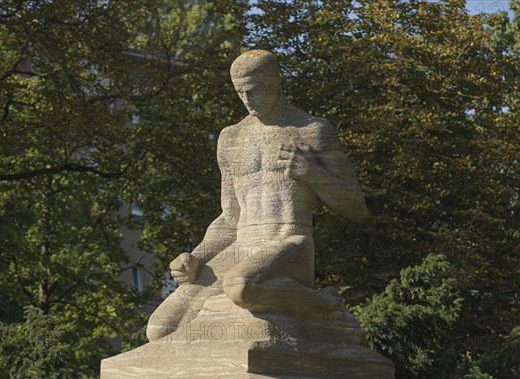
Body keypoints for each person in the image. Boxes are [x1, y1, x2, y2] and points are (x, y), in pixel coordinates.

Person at [146, 50, 368, 342]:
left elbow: (356, 206)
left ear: (274, 82)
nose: (247, 99)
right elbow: (230, 218)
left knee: (240, 285)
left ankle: (326, 304)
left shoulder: (312, 130)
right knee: (160, 329)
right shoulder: (231, 138)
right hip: (240, 247)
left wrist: (312, 172)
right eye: (240, 92)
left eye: (253, 90)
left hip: (290, 243)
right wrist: (195, 256)